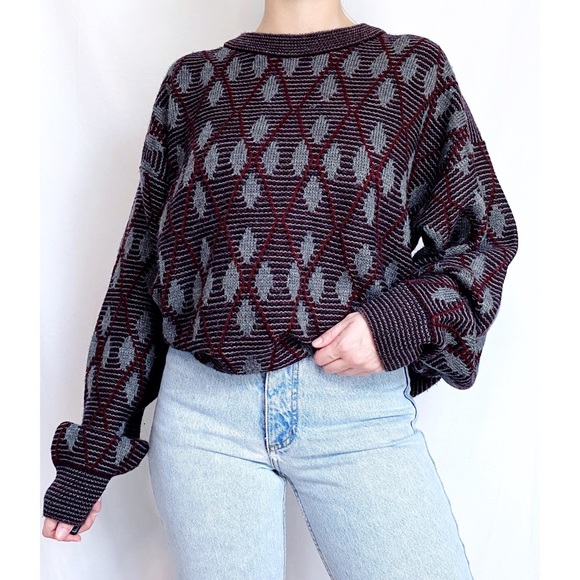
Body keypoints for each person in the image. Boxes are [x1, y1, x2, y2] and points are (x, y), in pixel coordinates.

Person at [42, 0, 518, 577]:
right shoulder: (194, 83)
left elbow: (486, 234)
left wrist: (397, 319)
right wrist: (91, 454)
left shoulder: (410, 70)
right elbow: (142, 268)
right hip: (204, 421)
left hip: (354, 413)